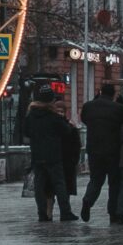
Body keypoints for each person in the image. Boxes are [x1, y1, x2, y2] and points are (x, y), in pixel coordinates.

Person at [22, 89, 78, 223]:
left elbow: (26, 132)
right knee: (59, 184)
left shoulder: (31, 115)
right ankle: (65, 212)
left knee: (39, 185)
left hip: (37, 154)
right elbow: (66, 130)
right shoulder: (53, 116)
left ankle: (42, 214)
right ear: (51, 100)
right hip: (53, 155)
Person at [77, 84, 123, 220]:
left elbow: (84, 119)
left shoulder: (88, 106)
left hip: (94, 149)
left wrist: (95, 99)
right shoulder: (119, 108)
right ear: (113, 94)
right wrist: (122, 103)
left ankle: (88, 200)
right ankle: (113, 212)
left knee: (96, 179)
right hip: (114, 150)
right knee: (114, 182)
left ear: (100, 92)